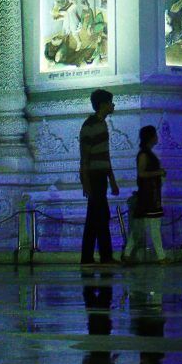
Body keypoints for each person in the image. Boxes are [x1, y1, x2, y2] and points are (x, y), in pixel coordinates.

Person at [78, 89, 119, 265]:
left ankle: (99, 256)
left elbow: (105, 156)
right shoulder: (90, 125)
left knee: (100, 216)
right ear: (103, 104)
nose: (113, 105)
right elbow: (85, 156)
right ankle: (98, 256)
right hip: (94, 177)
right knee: (97, 216)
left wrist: (112, 180)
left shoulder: (101, 124)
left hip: (100, 176)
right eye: (111, 102)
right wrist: (85, 182)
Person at [128, 126, 165, 264]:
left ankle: (127, 254)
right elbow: (141, 173)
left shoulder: (147, 153)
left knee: (139, 228)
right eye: (155, 134)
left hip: (151, 195)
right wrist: (159, 173)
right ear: (150, 137)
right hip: (148, 196)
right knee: (153, 227)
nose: (157, 137)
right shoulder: (144, 154)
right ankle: (161, 257)